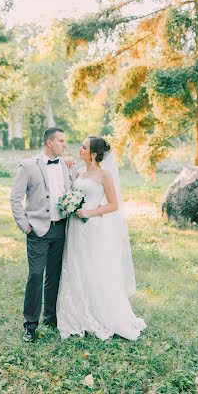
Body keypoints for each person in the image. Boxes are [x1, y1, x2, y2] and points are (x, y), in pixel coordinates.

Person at [56, 136, 146, 341]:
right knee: (76, 266)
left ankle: (100, 313)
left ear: (94, 154)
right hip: (75, 228)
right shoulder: (79, 172)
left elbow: (113, 205)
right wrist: (68, 164)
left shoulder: (104, 175)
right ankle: (77, 313)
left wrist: (90, 213)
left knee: (93, 267)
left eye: (84, 147)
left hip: (92, 227)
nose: (80, 149)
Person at [10, 127, 77, 343]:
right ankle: (30, 326)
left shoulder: (65, 166)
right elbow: (15, 198)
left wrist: (73, 167)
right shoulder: (28, 166)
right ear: (49, 142)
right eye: (61, 141)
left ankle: (51, 318)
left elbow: (77, 187)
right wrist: (25, 225)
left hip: (61, 228)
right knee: (36, 275)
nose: (65, 145)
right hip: (37, 230)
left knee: (54, 276)